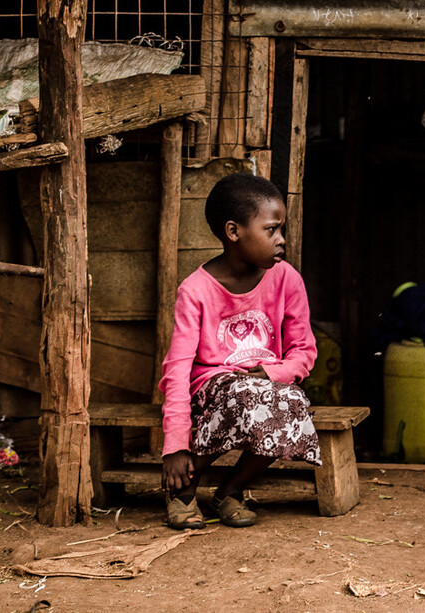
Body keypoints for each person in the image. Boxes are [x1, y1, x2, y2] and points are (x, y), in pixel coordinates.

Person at [158, 173, 320, 530]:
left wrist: (275, 374)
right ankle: (183, 489)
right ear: (234, 232)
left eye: (281, 230)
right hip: (212, 390)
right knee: (248, 395)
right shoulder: (195, 290)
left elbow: (304, 350)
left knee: (289, 400)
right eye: (271, 230)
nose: (282, 241)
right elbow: (178, 368)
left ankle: (230, 490)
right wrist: (174, 445)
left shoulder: (287, 279)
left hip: (263, 387)